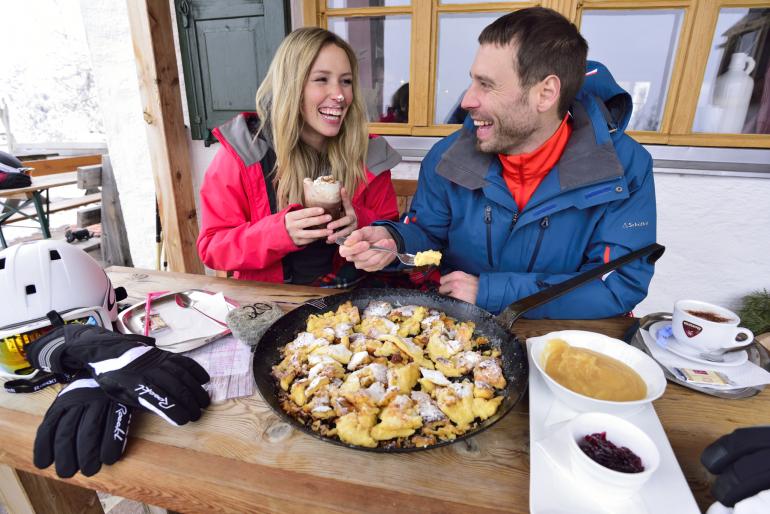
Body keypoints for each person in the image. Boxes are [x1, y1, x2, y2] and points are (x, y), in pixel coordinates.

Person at [339, 7, 657, 319]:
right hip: (459, 341)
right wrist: (395, 239)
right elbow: (428, 232)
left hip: (560, 347)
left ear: (545, 94)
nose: (466, 100)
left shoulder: (624, 168)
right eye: (472, 81)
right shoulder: (447, 158)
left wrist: (492, 293)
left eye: (487, 85)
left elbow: (616, 283)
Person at [197, 27, 400, 285]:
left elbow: (391, 235)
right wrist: (278, 233)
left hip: (347, 300)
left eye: (346, 81)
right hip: (270, 304)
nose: (339, 95)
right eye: (321, 79)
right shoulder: (244, 153)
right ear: (291, 86)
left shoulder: (370, 156)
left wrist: (359, 223)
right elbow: (212, 247)